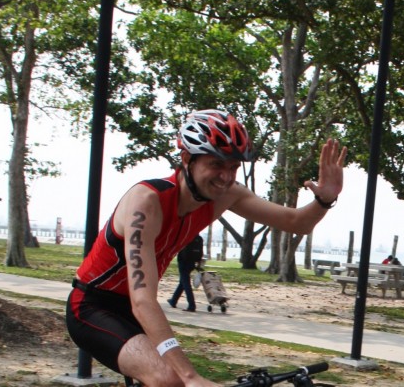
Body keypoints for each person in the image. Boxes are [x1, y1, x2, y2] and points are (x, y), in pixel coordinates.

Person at [66, 109, 347, 387]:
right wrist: (190, 377)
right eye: (216, 164)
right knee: (168, 378)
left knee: (173, 377)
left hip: (135, 309)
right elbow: (143, 301)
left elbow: (296, 222)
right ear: (187, 159)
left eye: (233, 167)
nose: (225, 177)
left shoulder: (225, 195)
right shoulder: (146, 202)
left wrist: (324, 200)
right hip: (92, 305)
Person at [167, 234, 203, 312]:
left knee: (186, 283)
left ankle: (191, 305)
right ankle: (173, 300)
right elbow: (200, 252)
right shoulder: (199, 238)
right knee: (183, 282)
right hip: (192, 263)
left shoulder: (186, 236)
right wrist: (199, 263)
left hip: (183, 262)